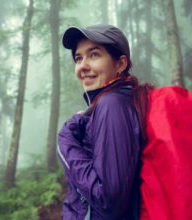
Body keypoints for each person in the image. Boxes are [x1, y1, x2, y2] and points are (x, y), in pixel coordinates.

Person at [57, 24, 146, 219]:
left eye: (94, 55)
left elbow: (108, 201)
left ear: (120, 64)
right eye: (78, 58)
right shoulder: (115, 101)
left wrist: (66, 140)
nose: (83, 66)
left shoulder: (111, 103)